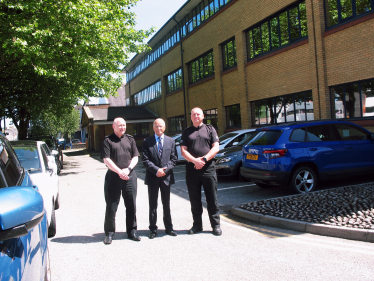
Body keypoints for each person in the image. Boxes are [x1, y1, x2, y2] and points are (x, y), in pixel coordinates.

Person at [180, 107, 222, 236]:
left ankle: (215, 225)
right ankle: (197, 225)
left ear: (203, 116)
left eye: (198, 114)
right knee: (194, 199)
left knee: (212, 198)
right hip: (192, 170)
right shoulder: (186, 131)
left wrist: (203, 159)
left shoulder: (210, 129)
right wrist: (194, 161)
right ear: (191, 117)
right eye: (193, 114)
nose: (196, 116)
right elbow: (183, 150)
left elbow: (216, 148)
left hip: (208, 168)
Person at [101, 117, 140, 244]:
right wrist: (119, 171)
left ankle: (132, 231)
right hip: (113, 177)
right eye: (120, 125)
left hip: (129, 176)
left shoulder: (130, 139)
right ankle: (109, 233)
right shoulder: (107, 140)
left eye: (124, 125)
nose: (122, 127)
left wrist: (127, 170)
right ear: (113, 126)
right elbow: (106, 160)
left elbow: (135, 157)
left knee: (131, 205)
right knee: (112, 206)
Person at [142, 118, 178, 239]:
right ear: (153, 128)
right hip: (153, 177)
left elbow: (174, 159)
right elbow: (145, 159)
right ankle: (152, 229)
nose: (159, 128)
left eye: (161, 126)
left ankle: (169, 228)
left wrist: (165, 170)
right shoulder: (147, 141)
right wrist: (156, 170)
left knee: (166, 204)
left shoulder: (171, 141)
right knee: (153, 205)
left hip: (166, 178)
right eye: (156, 126)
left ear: (165, 127)